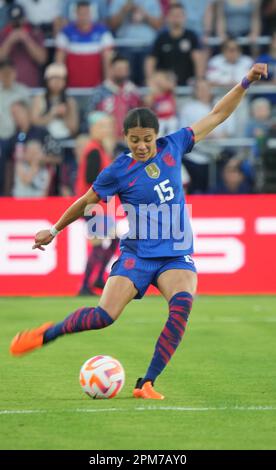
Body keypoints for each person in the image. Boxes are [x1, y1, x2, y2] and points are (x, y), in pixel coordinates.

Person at [10, 63, 267, 400]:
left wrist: (245, 81)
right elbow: (86, 200)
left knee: (182, 306)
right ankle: (48, 334)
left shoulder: (174, 145)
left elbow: (218, 114)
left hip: (175, 251)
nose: (142, 146)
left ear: (155, 136)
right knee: (104, 316)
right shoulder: (118, 170)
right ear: (126, 138)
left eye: (147, 140)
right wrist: (55, 229)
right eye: (134, 140)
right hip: (138, 253)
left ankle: (146, 383)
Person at [55, 0, 114, 88]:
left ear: (91, 14)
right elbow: (59, 61)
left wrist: (108, 85)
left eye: (86, 13)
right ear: (75, 14)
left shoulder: (103, 32)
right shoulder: (65, 32)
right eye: (81, 13)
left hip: (96, 85)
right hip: (71, 85)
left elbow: (108, 61)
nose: (83, 17)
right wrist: (60, 85)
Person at [145, 2, 205, 86]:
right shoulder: (161, 37)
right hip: (165, 84)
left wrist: (200, 79)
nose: (176, 18)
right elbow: (151, 59)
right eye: (173, 15)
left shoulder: (191, 36)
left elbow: (198, 58)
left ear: (185, 17)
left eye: (179, 15)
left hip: (187, 83)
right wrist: (150, 79)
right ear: (168, 17)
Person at [87, 54, 141, 141]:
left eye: (125, 69)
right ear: (111, 69)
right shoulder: (100, 91)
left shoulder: (133, 91)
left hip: (129, 138)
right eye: (119, 69)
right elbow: (90, 115)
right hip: (106, 137)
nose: (123, 72)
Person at [0, 3, 47, 87]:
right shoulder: (2, 35)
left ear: (24, 19)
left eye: (19, 21)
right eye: (14, 22)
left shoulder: (35, 33)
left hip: (31, 86)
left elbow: (42, 59)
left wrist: (27, 39)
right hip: (8, 88)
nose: (17, 25)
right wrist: (9, 41)